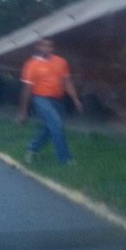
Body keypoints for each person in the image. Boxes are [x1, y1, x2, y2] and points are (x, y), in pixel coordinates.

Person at [16, 37, 83, 165]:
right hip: (40, 99)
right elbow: (27, 89)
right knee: (56, 124)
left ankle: (32, 148)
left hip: (58, 99)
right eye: (44, 46)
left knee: (50, 128)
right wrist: (23, 111)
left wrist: (75, 99)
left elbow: (67, 82)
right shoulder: (31, 64)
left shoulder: (61, 62)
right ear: (38, 47)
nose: (47, 49)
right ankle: (65, 159)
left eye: (50, 46)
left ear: (53, 48)